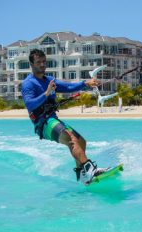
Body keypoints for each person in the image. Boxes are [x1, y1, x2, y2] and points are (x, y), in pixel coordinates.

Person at [21, 49, 107, 185]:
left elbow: (68, 87)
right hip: (42, 124)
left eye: (44, 61)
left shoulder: (49, 80)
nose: (42, 65)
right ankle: (90, 170)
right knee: (71, 139)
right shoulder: (28, 84)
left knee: (82, 142)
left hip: (53, 119)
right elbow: (30, 105)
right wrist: (46, 93)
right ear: (31, 64)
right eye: (38, 62)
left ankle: (83, 176)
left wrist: (85, 83)